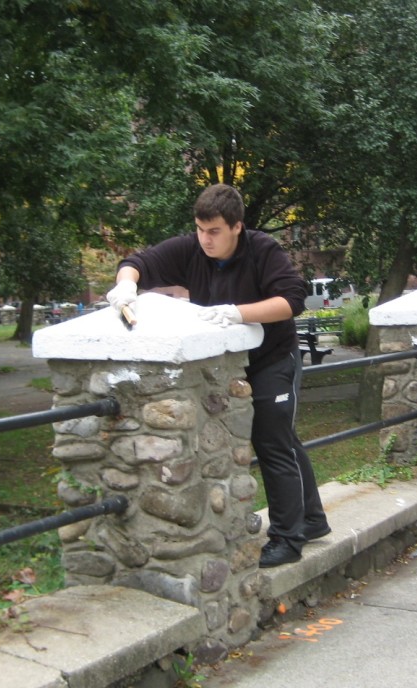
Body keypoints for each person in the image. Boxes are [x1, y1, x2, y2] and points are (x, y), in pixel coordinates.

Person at [106, 183, 329, 568]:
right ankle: (311, 519)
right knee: (283, 439)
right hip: (231, 366)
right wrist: (126, 284)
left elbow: (293, 300)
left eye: (214, 232)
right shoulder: (191, 249)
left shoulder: (263, 250)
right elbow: (139, 261)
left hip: (273, 358)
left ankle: (288, 538)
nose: (205, 240)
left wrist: (238, 312)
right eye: (200, 229)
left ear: (237, 227)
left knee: (272, 439)